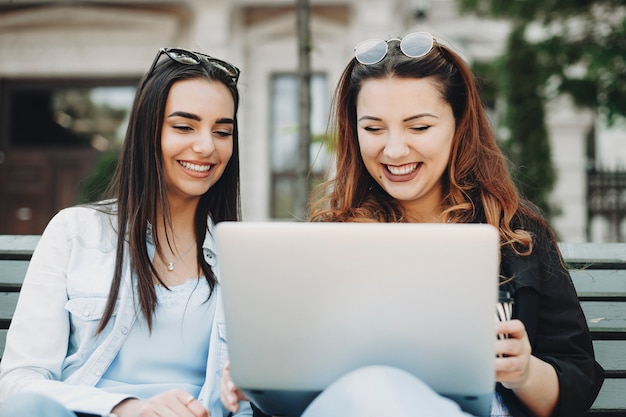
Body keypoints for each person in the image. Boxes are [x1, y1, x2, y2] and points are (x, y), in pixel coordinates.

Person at [220, 32, 604, 417]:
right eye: (373, 129)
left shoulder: (516, 234)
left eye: (419, 127)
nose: (395, 149)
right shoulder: (329, 240)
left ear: (459, 125)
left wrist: (522, 371)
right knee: (368, 390)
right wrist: (261, 377)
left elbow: (576, 384)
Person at [0, 47, 252, 417]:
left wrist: (255, 387)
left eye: (222, 131)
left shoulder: (243, 259)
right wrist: (127, 407)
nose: (206, 146)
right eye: (184, 126)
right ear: (147, 131)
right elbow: (18, 384)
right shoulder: (76, 232)